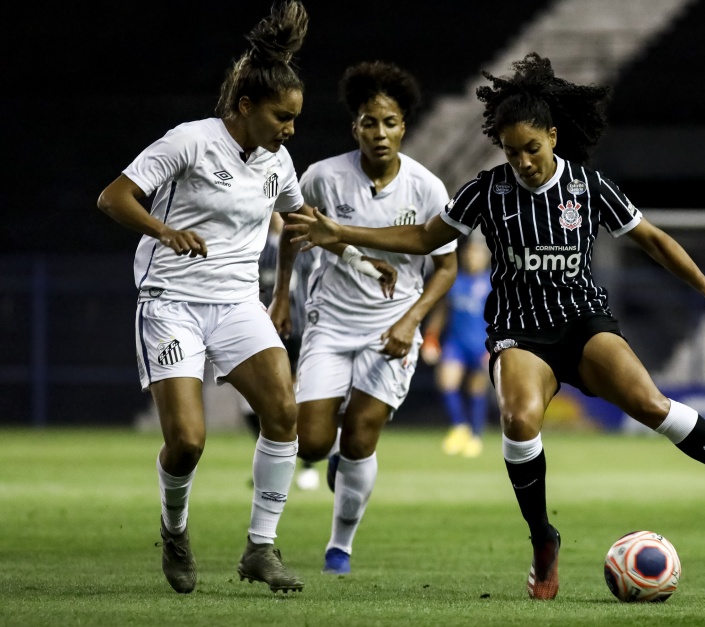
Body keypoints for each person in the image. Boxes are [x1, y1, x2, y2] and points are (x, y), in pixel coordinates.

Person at [286, 53, 705, 600]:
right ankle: (542, 540)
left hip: (582, 322)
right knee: (519, 416)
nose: (524, 162)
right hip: (520, 332)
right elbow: (422, 239)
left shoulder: (587, 186)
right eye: (512, 152)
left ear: (553, 137)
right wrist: (339, 229)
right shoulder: (487, 191)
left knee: (652, 405)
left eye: (532, 148)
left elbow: (651, 238)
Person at [95, 1, 389, 594]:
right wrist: (163, 230)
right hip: (170, 299)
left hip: (235, 305)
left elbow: (299, 227)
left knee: (285, 414)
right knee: (187, 442)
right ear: (246, 106)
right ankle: (175, 530)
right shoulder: (191, 142)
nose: (291, 128)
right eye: (282, 116)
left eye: (296, 118)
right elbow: (113, 198)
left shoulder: (278, 163)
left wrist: (346, 261)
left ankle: (260, 548)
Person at [270, 60, 457, 575]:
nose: (380, 133)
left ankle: (340, 547)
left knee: (358, 439)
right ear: (354, 126)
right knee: (309, 442)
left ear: (404, 126)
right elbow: (292, 230)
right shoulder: (324, 178)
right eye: (369, 122)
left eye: (390, 122)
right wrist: (281, 296)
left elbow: (446, 268)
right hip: (329, 323)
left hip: (390, 330)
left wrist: (410, 321)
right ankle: (331, 460)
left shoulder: (426, 188)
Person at [240, 213, 321, 490]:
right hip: (264, 332)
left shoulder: (306, 245)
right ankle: (272, 458)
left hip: (300, 331)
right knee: (253, 403)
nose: (275, 214)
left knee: (298, 398)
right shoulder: (254, 247)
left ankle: (307, 464)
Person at [421, 236, 492, 458]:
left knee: (476, 388)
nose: (472, 257)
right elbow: (441, 312)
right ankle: (460, 426)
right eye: (469, 253)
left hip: (483, 345)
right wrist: (431, 338)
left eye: (476, 253)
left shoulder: (493, 283)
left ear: (486, 257)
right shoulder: (454, 281)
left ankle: (476, 437)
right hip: (456, 343)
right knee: (446, 381)